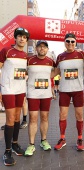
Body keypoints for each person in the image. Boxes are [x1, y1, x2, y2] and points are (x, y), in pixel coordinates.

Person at [54, 33, 84, 151]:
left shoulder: (81, 54)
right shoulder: (60, 56)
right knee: (62, 115)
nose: (70, 43)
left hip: (78, 90)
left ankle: (80, 138)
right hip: (64, 90)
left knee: (79, 115)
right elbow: (55, 71)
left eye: (72, 41)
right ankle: (62, 138)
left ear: (75, 43)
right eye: (68, 41)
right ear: (64, 42)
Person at [0, 27, 29, 166]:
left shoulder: (25, 55)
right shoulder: (6, 51)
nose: (22, 39)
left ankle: (15, 144)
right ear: (15, 38)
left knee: (17, 117)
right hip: (8, 89)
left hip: (20, 89)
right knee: (10, 118)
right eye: (20, 36)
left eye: (25, 37)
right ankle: (7, 151)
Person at [24, 40, 56, 156]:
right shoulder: (29, 60)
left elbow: (56, 71)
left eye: (44, 47)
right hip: (33, 94)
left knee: (44, 118)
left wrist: (48, 79)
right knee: (33, 118)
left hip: (46, 95)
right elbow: (23, 73)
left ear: (47, 49)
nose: (42, 49)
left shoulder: (51, 61)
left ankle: (43, 140)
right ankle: (31, 144)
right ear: (36, 49)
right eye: (40, 47)